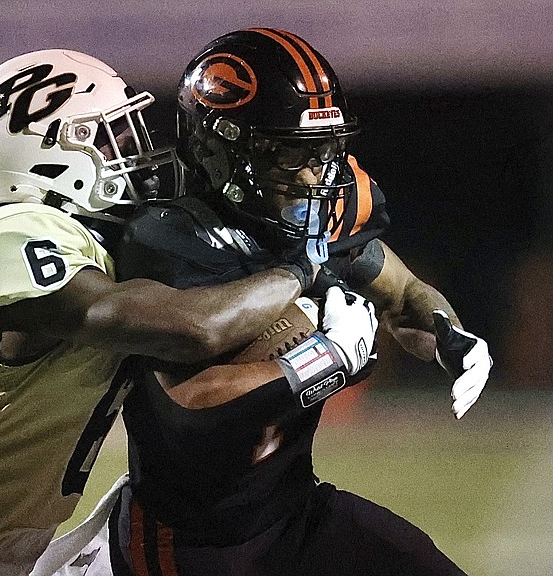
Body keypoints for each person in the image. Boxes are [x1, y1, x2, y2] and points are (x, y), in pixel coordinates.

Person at [0, 49, 376, 576]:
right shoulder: (13, 232)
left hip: (13, 546)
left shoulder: (94, 237)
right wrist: (303, 273)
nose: (133, 151)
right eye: (110, 137)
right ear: (48, 156)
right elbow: (183, 325)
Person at [29, 29, 492, 576]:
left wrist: (447, 333)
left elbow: (403, 294)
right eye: (288, 153)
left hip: (293, 510)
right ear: (216, 145)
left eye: (322, 150)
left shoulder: (328, 203)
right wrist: (324, 360)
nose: (314, 173)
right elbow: (191, 408)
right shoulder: (167, 236)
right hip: (191, 540)